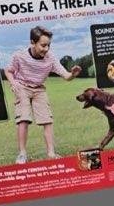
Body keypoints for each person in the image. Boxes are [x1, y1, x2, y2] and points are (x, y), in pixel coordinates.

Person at [5, 27, 81, 162]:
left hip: (39, 89)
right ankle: (22, 153)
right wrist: (13, 83)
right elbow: (8, 70)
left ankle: (51, 153)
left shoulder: (50, 58)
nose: (46, 49)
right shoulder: (19, 55)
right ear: (32, 42)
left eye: (49, 45)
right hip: (22, 87)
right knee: (23, 118)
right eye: (43, 45)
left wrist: (73, 74)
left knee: (47, 120)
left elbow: (66, 76)